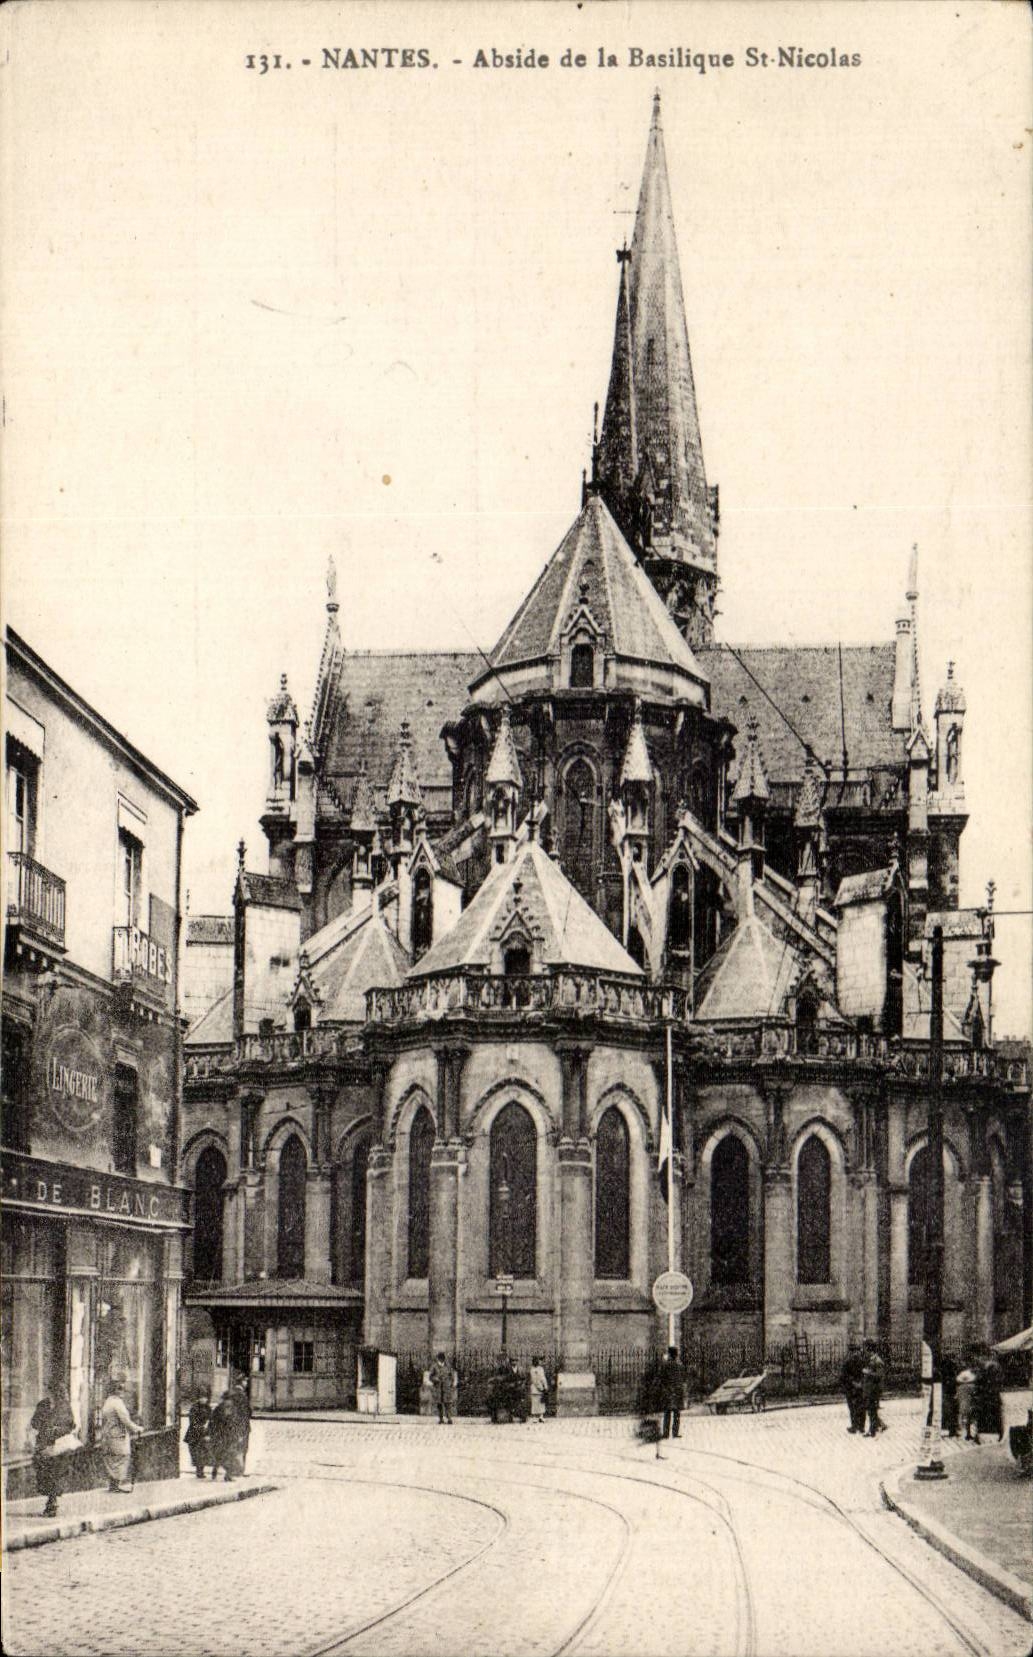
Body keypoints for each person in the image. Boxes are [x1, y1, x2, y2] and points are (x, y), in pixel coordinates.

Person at [30, 1384, 77, 1518]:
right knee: (46, 1474)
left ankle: (52, 1503)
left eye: (56, 1392)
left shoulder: (65, 1406)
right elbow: (34, 1423)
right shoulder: (43, 1405)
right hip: (45, 1446)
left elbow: (71, 1425)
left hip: (59, 1446)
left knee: (55, 1474)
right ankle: (51, 1502)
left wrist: (57, 1430)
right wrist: (46, 1428)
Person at [99, 1377, 143, 1492]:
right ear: (116, 1391)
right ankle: (115, 1485)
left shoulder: (108, 1402)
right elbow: (125, 1420)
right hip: (117, 1436)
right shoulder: (117, 1403)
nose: (123, 1392)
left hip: (108, 1435)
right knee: (122, 1458)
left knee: (112, 1460)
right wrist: (137, 1428)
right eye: (121, 1389)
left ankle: (113, 1485)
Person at [974, 1348, 1004, 1443]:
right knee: (996, 1416)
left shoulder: (984, 1369)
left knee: (984, 1416)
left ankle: (980, 1435)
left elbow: (978, 1384)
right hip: (993, 1397)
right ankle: (999, 1434)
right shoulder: (997, 1368)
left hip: (985, 1397)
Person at [209, 1388, 241, 1480]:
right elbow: (235, 1423)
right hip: (226, 1436)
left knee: (221, 1454)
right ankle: (227, 1475)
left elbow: (212, 1422)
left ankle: (215, 1471)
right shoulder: (231, 1409)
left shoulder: (219, 1408)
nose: (229, 1401)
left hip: (222, 1436)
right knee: (229, 1455)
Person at [183, 1390, 212, 1478]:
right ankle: (199, 1471)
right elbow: (192, 1421)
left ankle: (200, 1470)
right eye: (202, 1398)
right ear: (198, 1398)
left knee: (203, 1453)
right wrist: (201, 1427)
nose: (204, 1399)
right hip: (194, 1434)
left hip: (204, 1433)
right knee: (197, 1453)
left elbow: (211, 1419)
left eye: (205, 1398)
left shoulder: (208, 1407)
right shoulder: (194, 1407)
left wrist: (208, 1429)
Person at [659, 1346, 685, 1440]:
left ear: (670, 1354)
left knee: (667, 1413)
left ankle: (665, 1433)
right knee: (677, 1413)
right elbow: (683, 1377)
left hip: (668, 1390)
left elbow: (661, 1377)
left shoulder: (666, 1365)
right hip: (678, 1391)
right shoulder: (680, 1365)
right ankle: (675, 1432)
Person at [840, 1342, 866, 1434]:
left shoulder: (862, 1361)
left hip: (858, 1387)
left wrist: (860, 1382)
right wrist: (854, 1382)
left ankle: (860, 1427)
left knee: (860, 1407)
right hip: (852, 1388)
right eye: (854, 1351)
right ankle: (855, 1426)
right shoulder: (848, 1362)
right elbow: (844, 1375)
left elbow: (866, 1373)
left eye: (857, 1351)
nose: (856, 1353)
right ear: (851, 1352)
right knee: (853, 1408)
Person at [861, 1341, 886, 1437]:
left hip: (874, 1391)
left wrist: (867, 1372)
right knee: (871, 1411)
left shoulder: (877, 1361)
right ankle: (877, 1427)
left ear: (869, 1349)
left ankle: (872, 1431)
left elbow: (879, 1375)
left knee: (872, 1411)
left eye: (866, 1349)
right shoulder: (871, 1360)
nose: (865, 1351)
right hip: (869, 1390)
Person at [232, 1373, 252, 1472]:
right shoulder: (240, 1395)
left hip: (237, 1425)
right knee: (241, 1447)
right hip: (241, 1426)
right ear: (242, 1382)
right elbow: (245, 1412)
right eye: (245, 1381)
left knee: (238, 1447)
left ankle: (238, 1469)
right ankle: (239, 1469)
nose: (246, 1383)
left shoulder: (234, 1393)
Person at [428, 1352, 455, 1425]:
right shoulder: (434, 1367)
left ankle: (449, 1418)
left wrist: (451, 1383)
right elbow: (430, 1377)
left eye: (442, 1359)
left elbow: (452, 1376)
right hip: (438, 1387)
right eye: (440, 1359)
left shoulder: (448, 1366)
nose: (441, 1361)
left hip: (446, 1387)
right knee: (439, 1404)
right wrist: (436, 1379)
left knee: (448, 1403)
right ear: (438, 1359)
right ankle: (441, 1418)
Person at [956, 1361, 978, 1441]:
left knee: (966, 1419)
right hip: (972, 1405)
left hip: (963, 1405)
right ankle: (975, 1434)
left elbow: (958, 1397)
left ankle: (967, 1433)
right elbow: (975, 1395)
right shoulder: (972, 1386)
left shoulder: (960, 1387)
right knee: (974, 1419)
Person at [939, 1352, 959, 1438]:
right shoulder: (951, 1367)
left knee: (947, 1411)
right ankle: (952, 1430)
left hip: (945, 1390)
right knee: (951, 1411)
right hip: (949, 1391)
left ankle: (948, 1429)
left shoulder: (943, 1365)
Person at [528, 1356, 549, 1424]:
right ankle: (534, 1417)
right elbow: (535, 1380)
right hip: (535, 1389)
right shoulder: (532, 1370)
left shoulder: (541, 1369)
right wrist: (540, 1388)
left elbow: (543, 1378)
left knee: (541, 1403)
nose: (538, 1362)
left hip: (542, 1388)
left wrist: (545, 1387)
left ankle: (541, 1416)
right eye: (536, 1361)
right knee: (535, 1403)